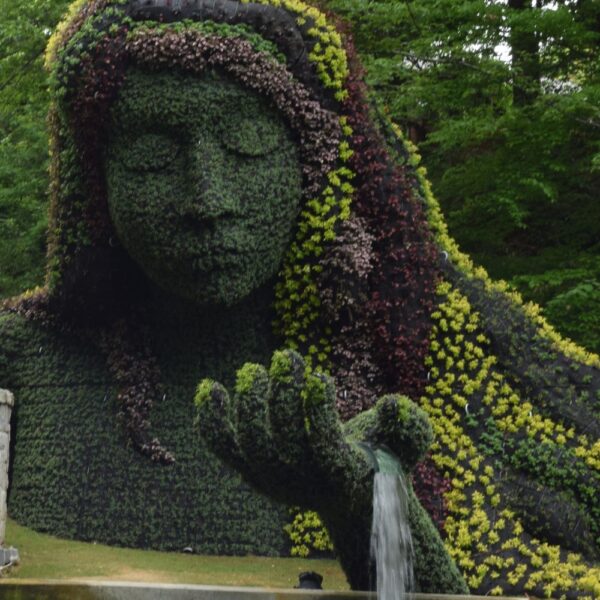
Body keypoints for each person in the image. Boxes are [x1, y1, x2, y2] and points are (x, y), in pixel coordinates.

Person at [0, 0, 597, 597]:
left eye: (246, 145)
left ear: (315, 161)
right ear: (96, 180)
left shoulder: (427, 359)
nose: (206, 201)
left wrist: (359, 498)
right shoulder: (25, 358)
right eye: (155, 155)